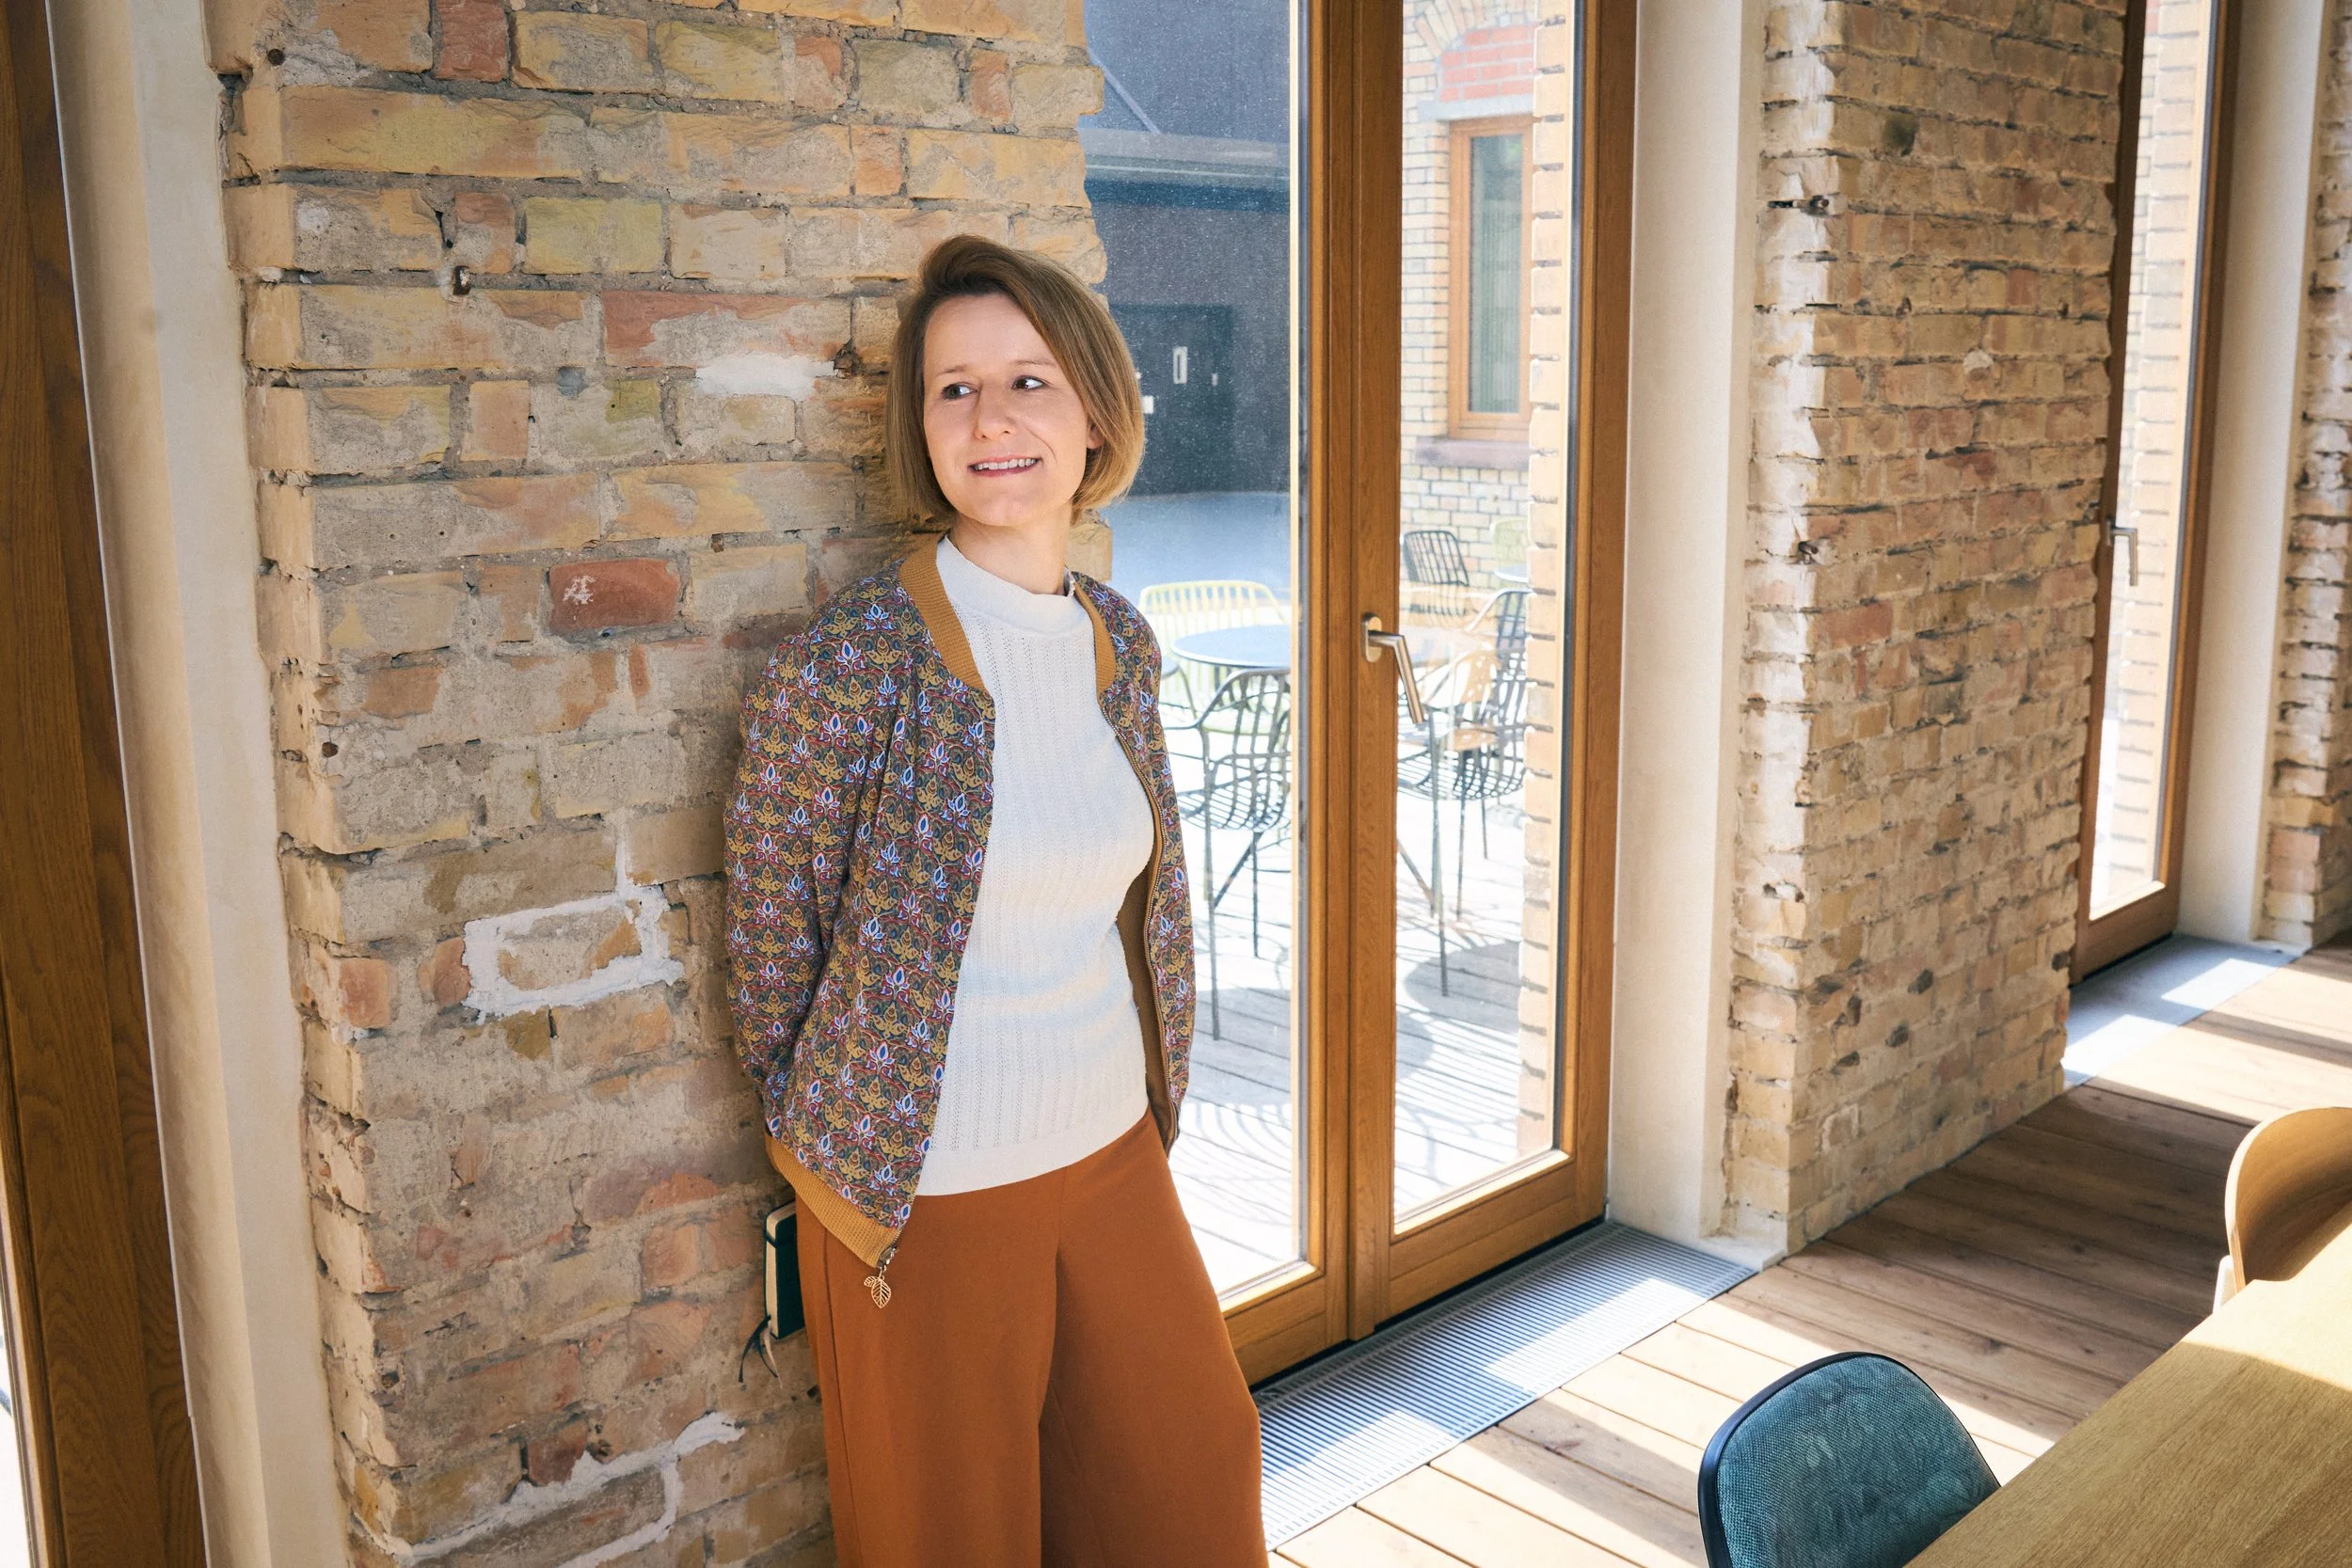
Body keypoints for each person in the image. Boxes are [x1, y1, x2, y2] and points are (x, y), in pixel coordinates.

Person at [723, 234, 1268, 1568]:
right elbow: (771, 947)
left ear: (1096, 414)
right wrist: (843, 1146)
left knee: (1192, 1479)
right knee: (954, 1539)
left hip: (1111, 1150)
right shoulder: (853, 664)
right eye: (953, 390)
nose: (990, 420)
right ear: (921, 431)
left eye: (1028, 380)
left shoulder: (1117, 637)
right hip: (928, 1192)